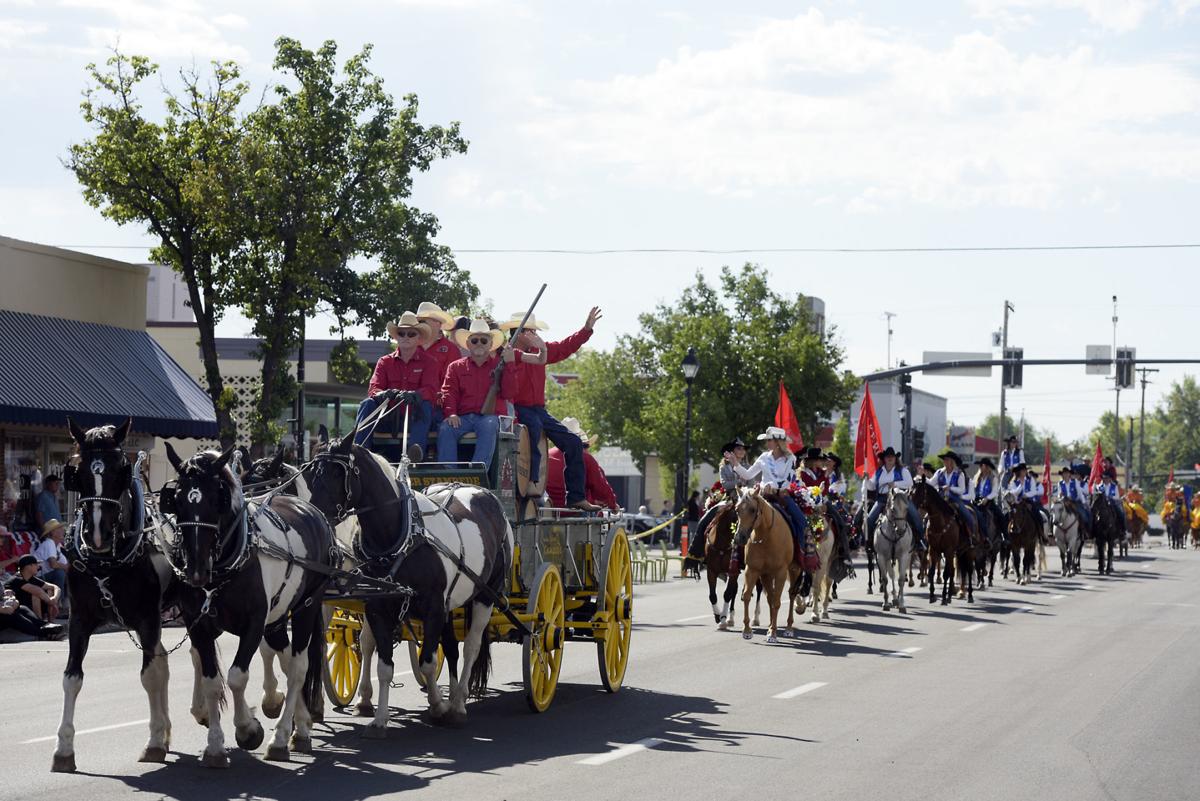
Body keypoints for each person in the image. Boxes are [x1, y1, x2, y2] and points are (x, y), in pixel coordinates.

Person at [502, 307, 604, 512]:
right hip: (518, 408)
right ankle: (528, 483)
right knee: (533, 426)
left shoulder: (542, 351)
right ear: (520, 333)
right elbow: (506, 388)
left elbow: (566, 346)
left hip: (539, 409)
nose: (536, 336)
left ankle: (575, 497)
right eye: (532, 331)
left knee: (574, 442)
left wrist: (585, 330)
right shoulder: (506, 354)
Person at [353, 311, 440, 459]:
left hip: (415, 418)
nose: (406, 337)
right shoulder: (384, 362)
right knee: (367, 404)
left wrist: (415, 395)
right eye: (401, 333)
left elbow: (431, 390)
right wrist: (383, 394)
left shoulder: (430, 362)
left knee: (425, 405)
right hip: (387, 417)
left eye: (411, 334)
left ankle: (414, 453)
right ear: (396, 336)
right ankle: (358, 452)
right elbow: (374, 388)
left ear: (418, 337)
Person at [436, 319, 518, 470]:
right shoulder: (455, 367)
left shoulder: (502, 365)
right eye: (474, 340)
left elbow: (509, 393)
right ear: (468, 344)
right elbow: (448, 392)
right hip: (463, 418)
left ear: (490, 344)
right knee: (446, 427)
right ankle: (448, 474)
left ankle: (477, 472)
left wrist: (510, 364)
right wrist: (451, 413)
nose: (479, 343)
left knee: (490, 424)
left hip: (490, 417)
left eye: (483, 340)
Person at [738, 426, 808, 566]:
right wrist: (735, 464)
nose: (767, 443)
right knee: (742, 515)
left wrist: (774, 488)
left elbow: (788, 480)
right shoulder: (764, 457)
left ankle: (802, 554)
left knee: (801, 520)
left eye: (769, 440)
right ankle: (736, 555)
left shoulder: (790, 459)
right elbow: (747, 474)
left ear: (777, 442)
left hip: (782, 496)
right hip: (763, 496)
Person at [686, 437, 748, 561]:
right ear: (732, 451)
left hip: (745, 498)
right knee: (704, 520)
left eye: (743, 449)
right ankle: (697, 554)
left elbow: (750, 482)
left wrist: (740, 482)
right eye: (739, 448)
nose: (742, 451)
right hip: (729, 497)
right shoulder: (724, 467)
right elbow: (725, 485)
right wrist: (740, 481)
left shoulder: (748, 465)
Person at [544, 418, 619, 511]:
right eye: (585, 446)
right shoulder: (585, 458)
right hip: (576, 513)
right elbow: (601, 488)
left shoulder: (546, 455)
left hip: (546, 511)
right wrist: (613, 504)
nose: (586, 449)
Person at [864, 447, 925, 549]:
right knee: (869, 519)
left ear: (895, 458)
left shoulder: (902, 470)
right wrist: (867, 480)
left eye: (892, 456)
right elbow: (871, 487)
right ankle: (869, 542)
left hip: (900, 498)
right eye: (887, 457)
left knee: (915, 515)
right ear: (884, 459)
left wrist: (895, 484)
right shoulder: (878, 472)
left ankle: (920, 540)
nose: (890, 458)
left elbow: (909, 483)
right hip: (882, 499)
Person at [933, 451, 979, 538]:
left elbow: (962, 490)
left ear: (951, 461)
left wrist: (950, 488)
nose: (944, 461)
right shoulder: (939, 472)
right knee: (930, 514)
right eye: (944, 460)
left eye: (946, 460)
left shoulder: (959, 474)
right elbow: (931, 483)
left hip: (954, 499)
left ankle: (972, 535)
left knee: (966, 514)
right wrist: (922, 478)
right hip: (940, 498)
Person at [7, 554, 60, 621]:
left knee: (49, 590)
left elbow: (55, 587)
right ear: (28, 566)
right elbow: (38, 591)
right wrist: (52, 602)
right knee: (36, 595)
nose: (38, 567)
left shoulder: (31, 578)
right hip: (14, 610)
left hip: (26, 608)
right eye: (36, 564)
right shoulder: (17, 579)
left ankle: (50, 621)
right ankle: (40, 623)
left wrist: (54, 598)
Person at [34, 519, 69, 613]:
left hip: (47, 576)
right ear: (52, 533)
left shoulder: (57, 546)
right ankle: (58, 606)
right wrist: (68, 568)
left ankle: (69, 604)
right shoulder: (49, 543)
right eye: (59, 528)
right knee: (59, 573)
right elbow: (53, 564)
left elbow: (65, 565)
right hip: (38, 577)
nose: (63, 530)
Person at [972, 457, 1004, 543]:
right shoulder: (976, 477)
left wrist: (987, 498)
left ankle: (1005, 537)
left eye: (983, 465)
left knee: (1001, 515)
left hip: (988, 501)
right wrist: (974, 498)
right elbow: (972, 489)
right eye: (981, 466)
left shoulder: (993, 478)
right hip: (976, 501)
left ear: (987, 467)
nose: (981, 467)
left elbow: (994, 492)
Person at [1055, 466, 1092, 535]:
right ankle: (1053, 531)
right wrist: (1059, 496)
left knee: (1084, 515)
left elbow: (1079, 493)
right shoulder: (1060, 483)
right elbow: (1059, 494)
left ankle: (1085, 531)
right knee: (1055, 513)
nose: (1065, 475)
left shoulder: (1075, 482)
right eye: (1064, 474)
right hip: (1064, 502)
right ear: (1062, 475)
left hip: (1075, 502)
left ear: (1069, 474)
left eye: (1067, 473)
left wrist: (1084, 503)